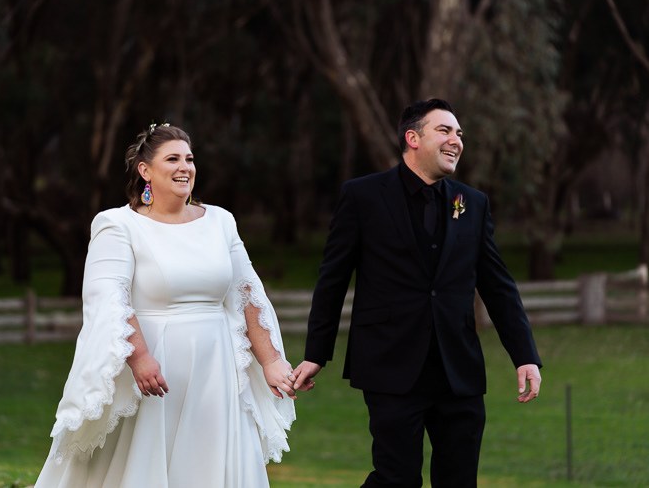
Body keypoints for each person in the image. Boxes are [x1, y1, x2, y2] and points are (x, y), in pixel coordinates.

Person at [292, 99, 542, 488]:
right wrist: (316, 352)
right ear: (413, 138)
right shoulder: (362, 196)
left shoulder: (472, 204)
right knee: (397, 479)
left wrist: (524, 355)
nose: (456, 140)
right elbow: (332, 279)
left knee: (460, 481)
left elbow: (498, 285)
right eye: (445, 130)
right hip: (389, 364)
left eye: (459, 133)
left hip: (458, 369)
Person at [34, 124, 297, 488]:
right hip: (154, 367)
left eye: (189, 159)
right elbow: (110, 297)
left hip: (218, 367)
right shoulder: (118, 225)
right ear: (145, 170)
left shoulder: (220, 221)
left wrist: (271, 361)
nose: (184, 167)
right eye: (172, 159)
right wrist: (140, 357)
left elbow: (246, 292)